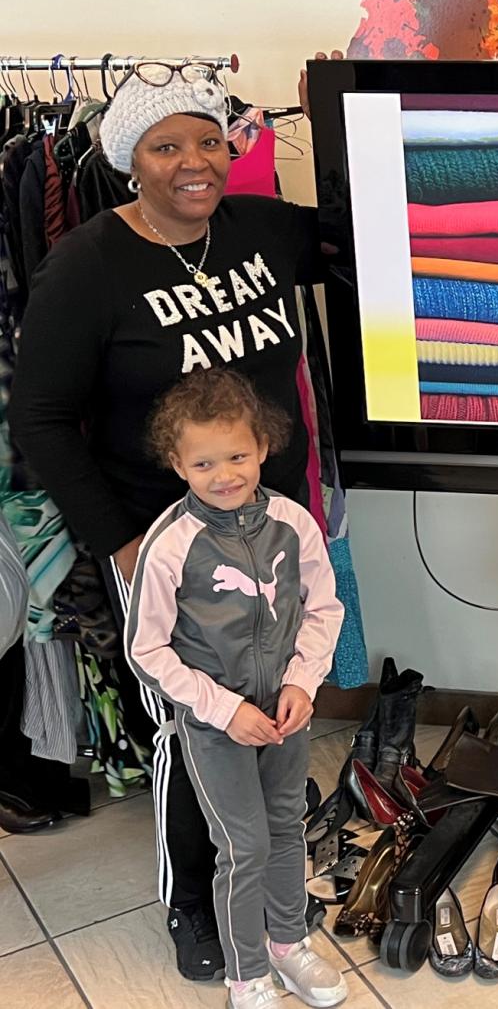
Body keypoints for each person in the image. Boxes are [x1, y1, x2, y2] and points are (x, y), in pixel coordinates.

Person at [8, 56, 337, 979]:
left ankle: (270, 894)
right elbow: (38, 418)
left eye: (207, 140)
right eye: (166, 146)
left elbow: (369, 238)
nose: (194, 162)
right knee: (195, 728)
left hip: (273, 530)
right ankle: (193, 902)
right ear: (128, 161)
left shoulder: (260, 229)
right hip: (164, 540)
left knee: (276, 708)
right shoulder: (89, 265)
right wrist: (121, 541)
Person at [127, 368, 346, 1009]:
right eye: (204, 462)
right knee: (244, 846)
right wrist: (224, 710)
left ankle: (287, 945)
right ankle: (246, 974)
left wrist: (303, 683)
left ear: (264, 446)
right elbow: (147, 652)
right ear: (177, 463)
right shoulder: (170, 545)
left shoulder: (292, 521)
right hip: (216, 726)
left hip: (287, 712)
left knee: (286, 828)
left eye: (238, 455)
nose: (225, 474)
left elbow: (323, 609)